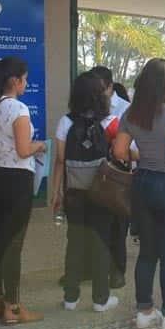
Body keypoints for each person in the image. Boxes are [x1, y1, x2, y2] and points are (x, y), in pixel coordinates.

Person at [113, 58, 165, 329]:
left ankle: (145, 311)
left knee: (147, 252)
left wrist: (145, 155)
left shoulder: (132, 113)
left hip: (142, 183)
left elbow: (119, 152)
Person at [0, 57, 46, 324]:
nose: (26, 83)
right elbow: (23, 150)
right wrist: (40, 145)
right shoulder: (18, 108)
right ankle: (13, 308)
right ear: (15, 80)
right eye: (25, 78)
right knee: (13, 246)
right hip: (16, 181)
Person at [50, 72, 121, 313]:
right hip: (102, 193)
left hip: (74, 193)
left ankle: (70, 297)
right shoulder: (110, 122)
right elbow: (122, 153)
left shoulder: (65, 122)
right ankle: (101, 299)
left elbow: (59, 160)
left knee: (75, 242)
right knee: (101, 242)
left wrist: (56, 192)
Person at [89, 66, 129, 289]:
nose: (96, 93)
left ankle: (117, 271)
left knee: (118, 224)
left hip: (117, 174)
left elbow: (132, 144)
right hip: (93, 174)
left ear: (110, 87)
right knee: (97, 226)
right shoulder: (89, 108)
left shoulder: (125, 109)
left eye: (100, 89)